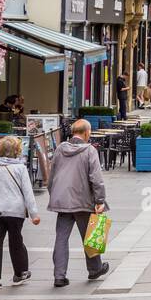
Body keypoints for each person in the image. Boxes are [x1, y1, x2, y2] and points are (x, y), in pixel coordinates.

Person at [46, 119, 109, 286]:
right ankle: (95, 269)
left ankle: (59, 275)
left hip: (63, 200)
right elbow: (96, 178)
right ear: (87, 133)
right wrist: (100, 200)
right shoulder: (89, 150)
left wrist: (54, 194)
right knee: (90, 236)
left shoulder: (60, 149)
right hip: (83, 199)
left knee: (61, 237)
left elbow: (51, 175)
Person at [0, 135, 40, 290]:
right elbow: (28, 193)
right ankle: (20, 273)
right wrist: (34, 214)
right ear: (17, 151)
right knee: (16, 241)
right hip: (15, 211)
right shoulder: (20, 168)